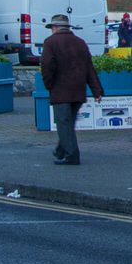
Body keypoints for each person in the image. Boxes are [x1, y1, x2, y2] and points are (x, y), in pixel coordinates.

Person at [39, 13, 103, 166]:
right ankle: (60, 151)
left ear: (54, 28)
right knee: (68, 123)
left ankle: (72, 156)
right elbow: (89, 68)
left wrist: (49, 85)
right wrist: (97, 91)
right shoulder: (80, 42)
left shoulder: (50, 42)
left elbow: (47, 66)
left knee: (64, 124)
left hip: (61, 91)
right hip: (78, 90)